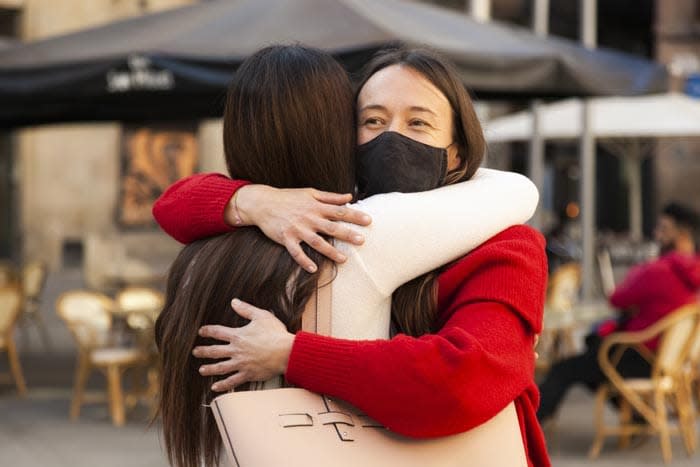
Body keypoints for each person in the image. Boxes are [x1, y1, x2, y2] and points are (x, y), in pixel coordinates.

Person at [155, 46, 550, 467]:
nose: (391, 138)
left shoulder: (503, 243)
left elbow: (463, 378)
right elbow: (171, 204)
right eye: (373, 121)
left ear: (456, 150)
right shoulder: (333, 223)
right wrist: (255, 200)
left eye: (418, 123)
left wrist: (296, 354)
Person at [537, 202, 700, 423]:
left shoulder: (659, 270)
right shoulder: (692, 270)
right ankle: (638, 415)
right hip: (669, 360)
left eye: (663, 229)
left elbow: (617, 299)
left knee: (564, 369)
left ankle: (530, 425)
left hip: (637, 355)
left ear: (681, 234)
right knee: (587, 361)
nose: (656, 234)